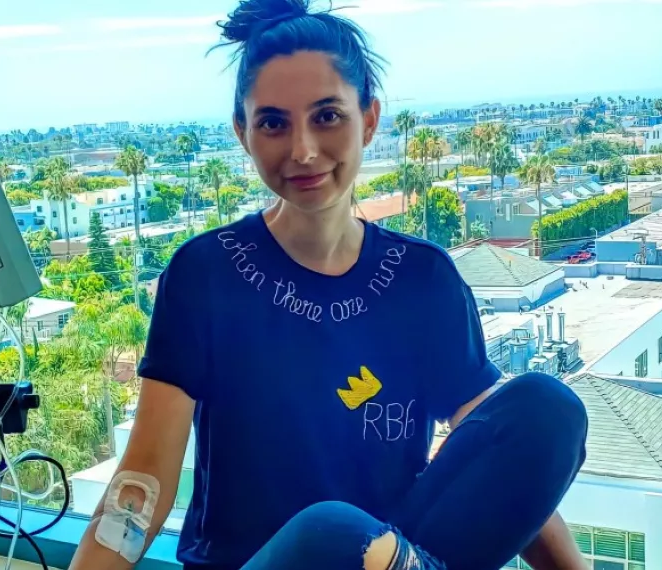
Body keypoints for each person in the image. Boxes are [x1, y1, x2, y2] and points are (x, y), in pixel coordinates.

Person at [69, 0, 588, 568]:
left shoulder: (423, 279)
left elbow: (500, 462)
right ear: (243, 133)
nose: (303, 150)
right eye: (273, 123)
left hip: (396, 557)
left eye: (327, 116)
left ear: (369, 118)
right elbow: (142, 478)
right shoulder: (206, 275)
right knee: (333, 533)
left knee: (545, 408)